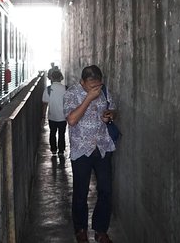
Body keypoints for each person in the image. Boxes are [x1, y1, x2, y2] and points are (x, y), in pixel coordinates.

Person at [63, 65, 116, 243]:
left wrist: (109, 115)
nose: (96, 89)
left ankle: (101, 230)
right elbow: (71, 120)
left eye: (98, 86)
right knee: (80, 192)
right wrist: (88, 98)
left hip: (102, 147)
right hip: (81, 150)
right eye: (91, 86)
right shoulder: (71, 94)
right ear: (82, 82)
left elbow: (112, 109)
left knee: (106, 191)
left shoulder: (105, 91)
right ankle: (80, 230)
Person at [42, 70, 67, 155]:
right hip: (63, 117)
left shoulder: (48, 89)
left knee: (52, 133)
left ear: (51, 78)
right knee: (61, 134)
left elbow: (45, 103)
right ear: (61, 78)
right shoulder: (66, 88)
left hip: (52, 116)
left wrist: (43, 116)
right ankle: (61, 150)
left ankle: (53, 150)